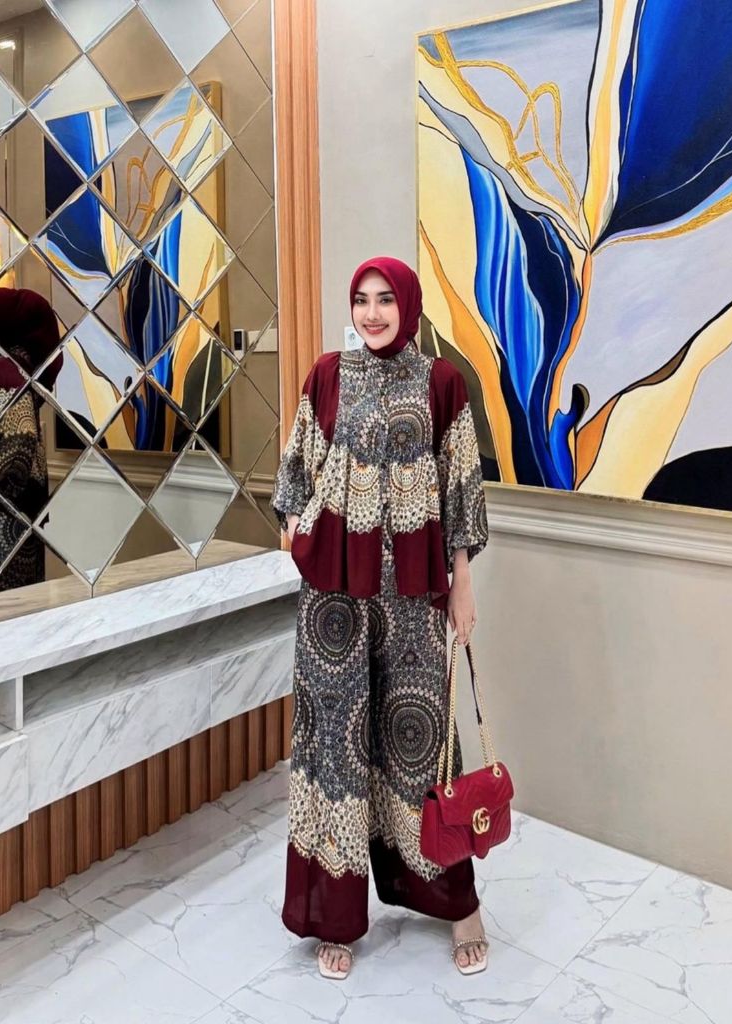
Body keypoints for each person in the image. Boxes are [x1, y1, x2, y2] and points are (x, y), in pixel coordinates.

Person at [270, 256, 491, 980]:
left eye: (385, 299)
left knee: (421, 742)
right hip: (333, 603)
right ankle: (334, 917)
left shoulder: (442, 383)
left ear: (409, 306)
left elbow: (462, 488)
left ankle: (459, 904)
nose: (371, 313)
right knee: (334, 747)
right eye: (361, 299)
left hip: (413, 596)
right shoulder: (328, 375)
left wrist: (462, 583)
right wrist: (298, 532)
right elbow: (296, 468)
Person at [0, 287, 63, 592]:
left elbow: (18, 442)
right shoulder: (16, 370)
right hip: (13, 513)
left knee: (3, 606)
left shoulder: (7, 371)